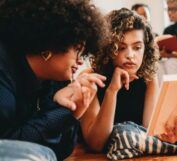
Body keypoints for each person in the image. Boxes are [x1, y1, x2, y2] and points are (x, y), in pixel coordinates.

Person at [0, 0, 107, 160]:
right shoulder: (3, 69)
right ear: (52, 41)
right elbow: (12, 147)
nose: (80, 60)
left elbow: (62, 151)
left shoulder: (56, 80)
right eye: (77, 49)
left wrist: (74, 112)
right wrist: (59, 110)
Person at [79, 8, 177, 152]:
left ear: (145, 48)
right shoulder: (91, 78)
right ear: (108, 49)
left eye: (137, 47)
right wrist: (112, 91)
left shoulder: (149, 78)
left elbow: (150, 130)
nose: (130, 55)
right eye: (121, 48)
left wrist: (167, 136)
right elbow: (96, 144)